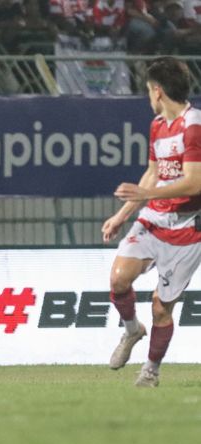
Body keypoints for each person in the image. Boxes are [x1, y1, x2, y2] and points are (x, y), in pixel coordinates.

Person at [102, 56, 201, 387]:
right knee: (118, 279)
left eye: (148, 90)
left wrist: (145, 195)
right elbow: (153, 173)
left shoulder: (194, 125)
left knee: (161, 308)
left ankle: (151, 370)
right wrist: (121, 214)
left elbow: (194, 182)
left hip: (187, 228)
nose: (148, 97)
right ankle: (132, 331)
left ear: (157, 91)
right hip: (153, 218)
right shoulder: (158, 125)